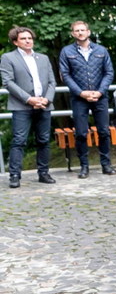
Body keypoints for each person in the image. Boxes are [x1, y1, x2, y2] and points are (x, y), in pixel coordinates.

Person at [58, 20, 116, 179]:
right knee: (81, 133)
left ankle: (106, 164)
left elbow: (109, 73)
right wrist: (81, 93)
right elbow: (65, 75)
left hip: (100, 97)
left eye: (82, 30)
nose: (80, 33)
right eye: (76, 31)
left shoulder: (101, 50)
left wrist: (99, 91)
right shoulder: (66, 52)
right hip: (79, 98)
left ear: (88, 32)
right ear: (72, 34)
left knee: (104, 131)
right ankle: (84, 166)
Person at [3, 26, 57, 188]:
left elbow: (52, 82)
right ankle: (14, 175)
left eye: (30, 38)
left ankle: (43, 173)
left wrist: (46, 99)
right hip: (21, 106)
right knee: (19, 141)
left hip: (44, 105)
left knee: (44, 140)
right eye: (23, 39)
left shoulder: (43, 58)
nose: (28, 41)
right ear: (15, 42)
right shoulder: (8, 57)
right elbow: (8, 82)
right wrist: (29, 99)